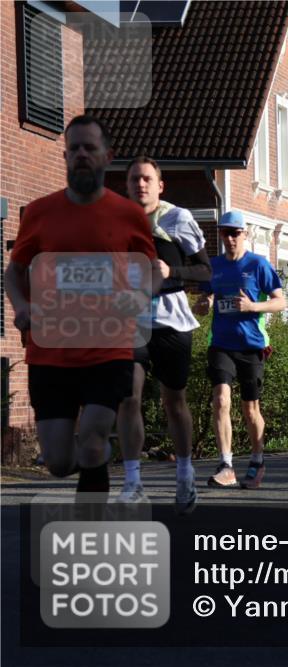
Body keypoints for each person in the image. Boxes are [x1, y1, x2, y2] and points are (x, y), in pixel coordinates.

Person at [5, 115, 160, 500]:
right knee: (58, 462)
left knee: (90, 441)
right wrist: (22, 304)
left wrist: (140, 296)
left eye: (89, 148)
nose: (80, 155)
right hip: (50, 351)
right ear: (65, 157)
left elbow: (152, 270)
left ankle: (91, 528)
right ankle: (98, 456)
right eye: (73, 149)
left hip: (107, 349)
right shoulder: (40, 212)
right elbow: (14, 271)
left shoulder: (128, 215)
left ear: (107, 156)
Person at [115, 156, 211, 513]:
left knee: (174, 401)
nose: (140, 184)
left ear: (160, 185)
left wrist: (173, 269)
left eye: (147, 179)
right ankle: (132, 481)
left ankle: (185, 473)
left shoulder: (176, 218)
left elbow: (205, 271)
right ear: (126, 186)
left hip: (172, 320)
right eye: (134, 179)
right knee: (128, 398)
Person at [194, 211, 285, 489]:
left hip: (251, 345)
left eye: (235, 233)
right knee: (221, 399)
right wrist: (204, 304)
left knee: (250, 409)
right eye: (225, 233)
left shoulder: (258, 265)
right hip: (220, 343)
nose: (230, 238)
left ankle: (257, 459)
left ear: (245, 234)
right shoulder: (215, 265)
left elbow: (280, 301)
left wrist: (254, 307)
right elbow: (206, 296)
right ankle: (226, 465)